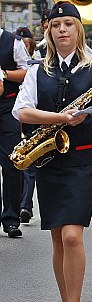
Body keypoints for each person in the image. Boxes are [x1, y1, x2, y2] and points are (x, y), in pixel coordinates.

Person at [12, 0, 92, 302]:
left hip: (85, 160)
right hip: (49, 160)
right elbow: (22, 111)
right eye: (57, 24)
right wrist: (60, 118)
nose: (62, 29)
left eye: (69, 24)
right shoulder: (36, 71)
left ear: (80, 31)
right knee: (59, 239)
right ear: (49, 30)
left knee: (73, 234)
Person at [0, 18, 29, 238]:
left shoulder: (13, 42)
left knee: (11, 161)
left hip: (7, 106)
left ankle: (11, 218)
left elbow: (27, 72)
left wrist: (4, 74)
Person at [15, 27, 37, 224]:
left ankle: (25, 205)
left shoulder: (38, 58)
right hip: (22, 116)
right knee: (25, 165)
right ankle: (24, 205)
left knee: (30, 168)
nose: (23, 43)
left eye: (26, 41)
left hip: (40, 117)